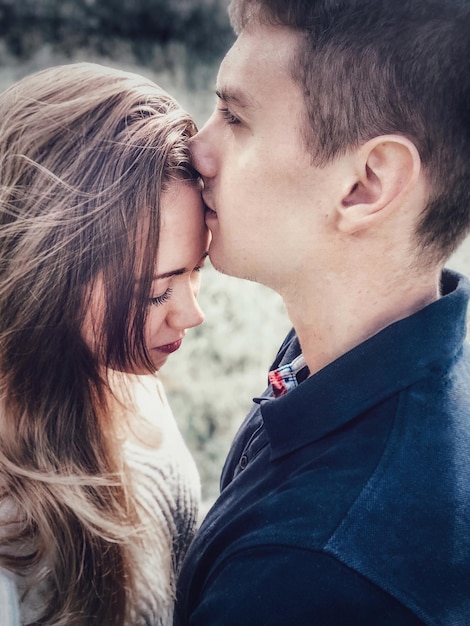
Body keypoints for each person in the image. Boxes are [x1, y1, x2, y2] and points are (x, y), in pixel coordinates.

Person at [174, 0, 470, 624]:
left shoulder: (306, 576)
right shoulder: (345, 358)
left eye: (234, 116)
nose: (196, 148)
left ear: (366, 183)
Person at [0, 62, 210, 625]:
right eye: (153, 294)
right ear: (46, 285)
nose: (193, 315)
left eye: (195, 273)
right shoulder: (13, 525)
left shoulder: (116, 368)